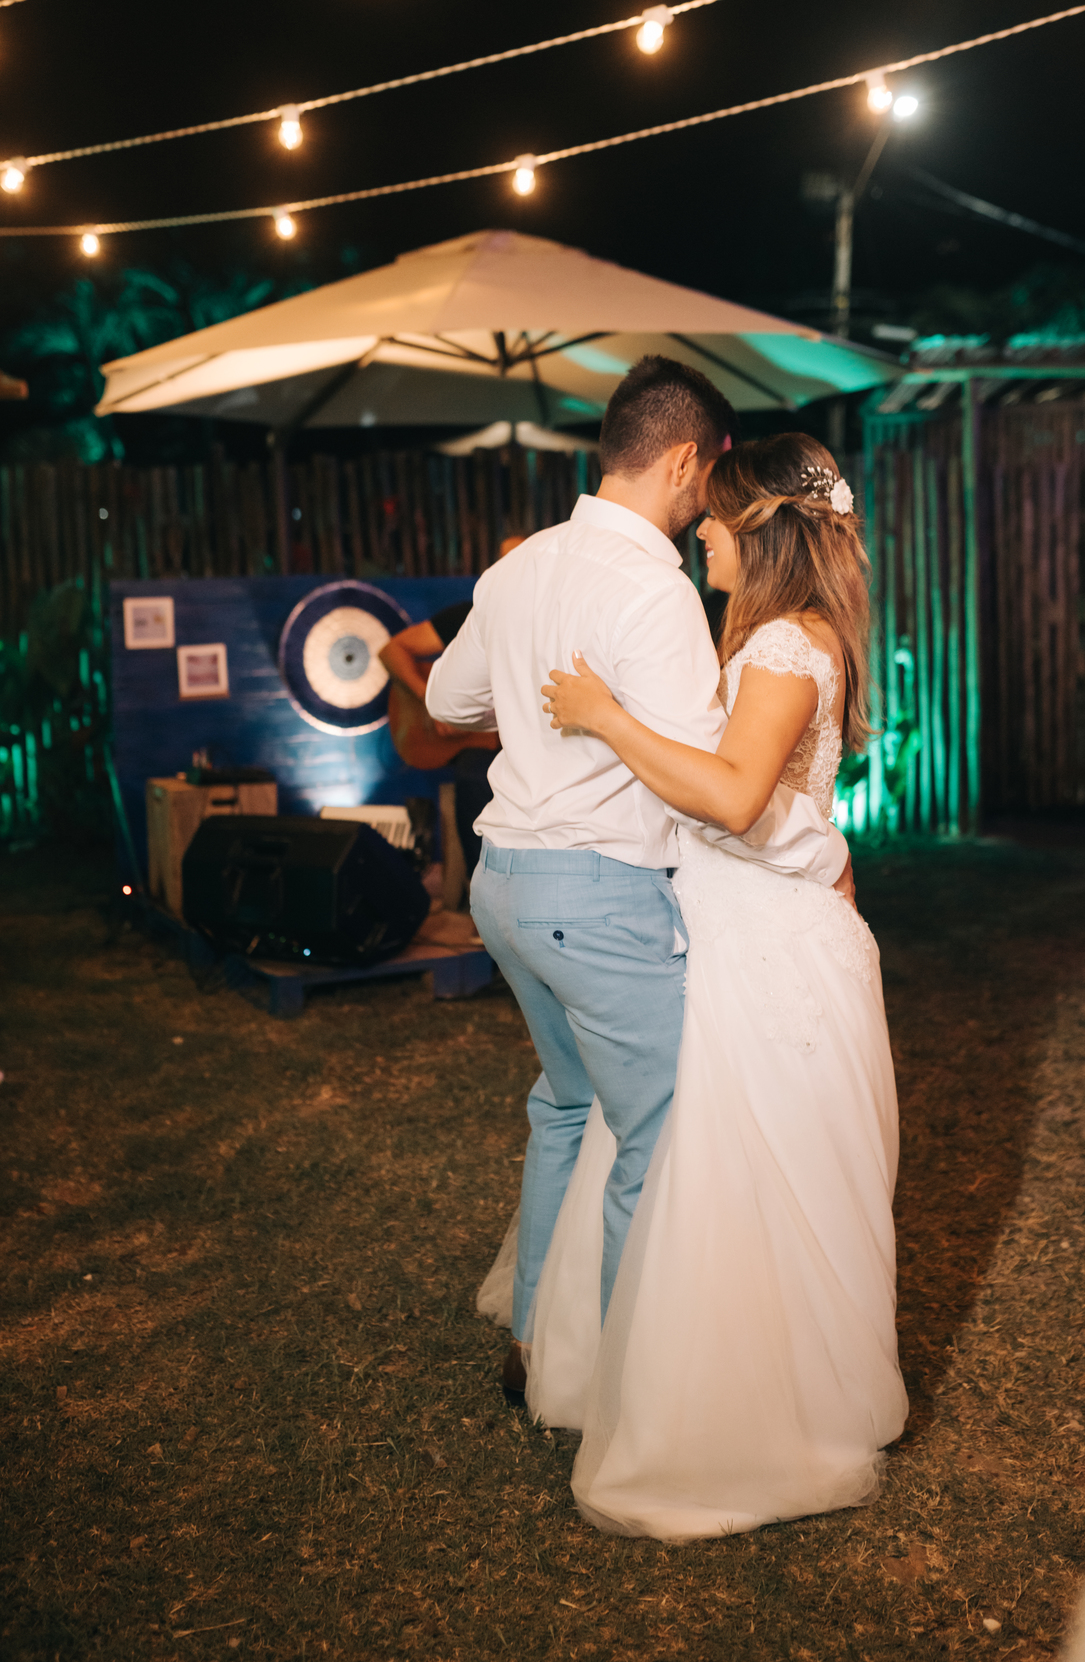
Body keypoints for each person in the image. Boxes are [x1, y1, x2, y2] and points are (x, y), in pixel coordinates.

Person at [425, 357, 853, 1404]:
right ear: (682, 460)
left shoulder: (521, 566)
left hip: (503, 887)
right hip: (597, 895)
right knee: (659, 1133)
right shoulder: (656, 592)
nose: (708, 510)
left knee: (567, 1104)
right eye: (706, 481)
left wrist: (537, 716)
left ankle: (537, 1342)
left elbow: (444, 698)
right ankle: (621, 1386)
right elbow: (718, 776)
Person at [531, 429, 908, 1540]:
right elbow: (778, 805)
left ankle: (736, 1407)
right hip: (751, 924)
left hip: (765, 956)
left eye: (717, 517)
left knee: (741, 1177)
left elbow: (737, 796)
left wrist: (606, 717)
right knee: (717, 1162)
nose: (698, 528)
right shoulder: (785, 637)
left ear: (761, 530)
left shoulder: (790, 645)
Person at [379, 536, 523, 879]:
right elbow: (391, 651)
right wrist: (428, 697)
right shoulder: (469, 616)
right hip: (480, 748)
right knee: (474, 775)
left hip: (515, 743)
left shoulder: (548, 621)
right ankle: (482, 891)